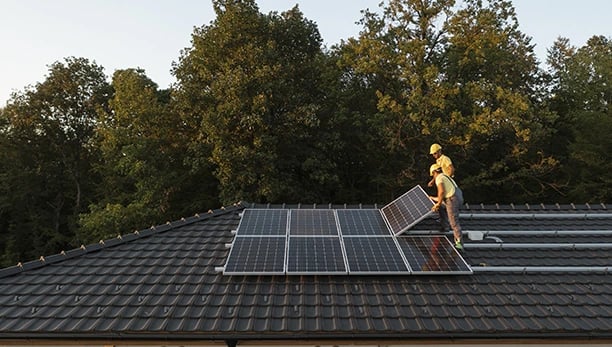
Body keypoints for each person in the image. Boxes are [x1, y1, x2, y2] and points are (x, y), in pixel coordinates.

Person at [428, 163, 463, 249]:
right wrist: (433, 199)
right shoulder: (445, 176)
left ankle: (459, 244)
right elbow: (443, 196)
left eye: (432, 174)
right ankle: (445, 225)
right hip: (456, 197)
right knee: (442, 207)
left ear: (434, 172)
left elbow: (441, 192)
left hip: (452, 200)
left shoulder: (439, 178)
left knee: (453, 221)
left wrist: (438, 204)